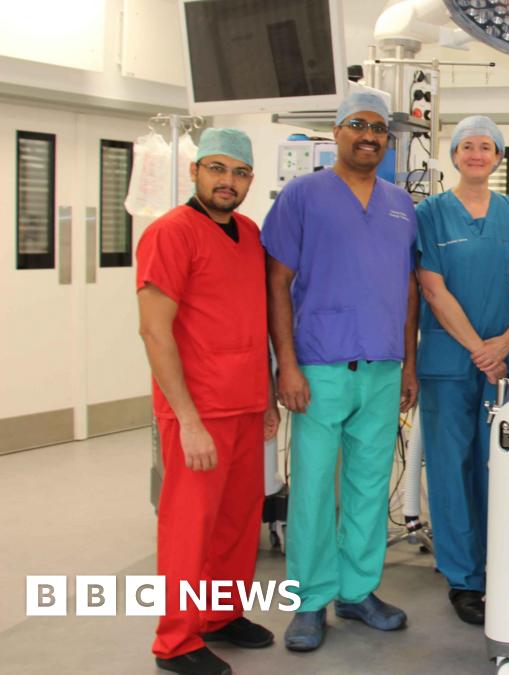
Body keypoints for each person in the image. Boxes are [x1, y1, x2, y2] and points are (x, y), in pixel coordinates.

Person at [261, 91, 420, 652]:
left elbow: (407, 288)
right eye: (358, 124)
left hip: (382, 367)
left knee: (369, 486)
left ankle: (357, 591)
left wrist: (409, 364)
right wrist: (286, 365)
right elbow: (277, 281)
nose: (369, 136)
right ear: (337, 132)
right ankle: (309, 601)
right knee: (311, 489)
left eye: (378, 128)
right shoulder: (302, 196)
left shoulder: (401, 205)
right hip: (319, 366)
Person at [136, 128, 278, 675]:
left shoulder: (249, 233)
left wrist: (266, 398)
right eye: (217, 168)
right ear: (195, 171)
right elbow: (155, 332)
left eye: (240, 173)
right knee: (189, 527)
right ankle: (175, 641)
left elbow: (252, 320)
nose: (228, 181)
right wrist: (188, 420)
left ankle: (219, 615)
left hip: (245, 404)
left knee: (236, 524)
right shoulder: (171, 234)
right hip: (198, 411)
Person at [414, 116, 509, 625]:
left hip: (508, 359)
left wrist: (506, 341)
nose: (477, 154)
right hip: (450, 361)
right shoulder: (430, 214)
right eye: (467, 146)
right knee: (450, 467)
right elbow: (433, 289)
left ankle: (501, 565)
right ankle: (464, 578)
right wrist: (481, 350)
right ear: (454, 156)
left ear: (498, 158)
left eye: (486, 146)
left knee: (501, 466)